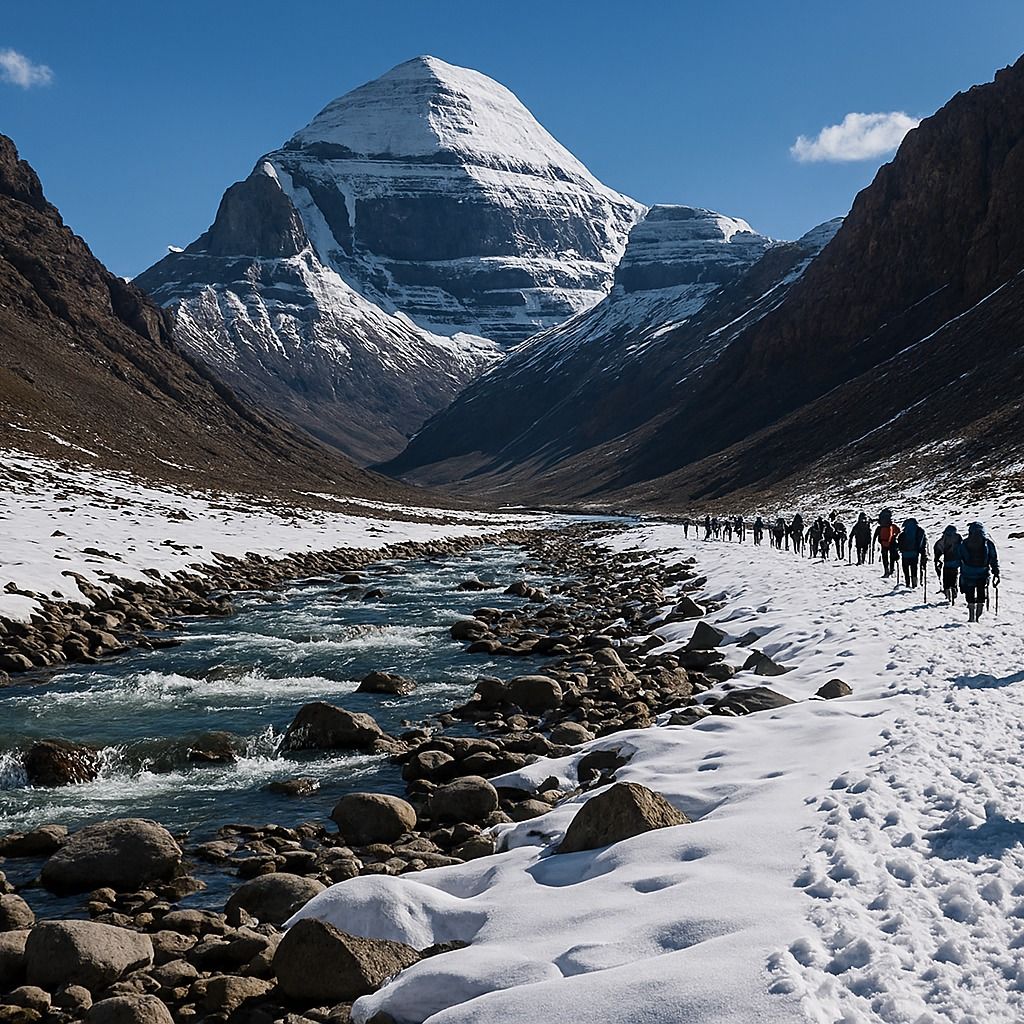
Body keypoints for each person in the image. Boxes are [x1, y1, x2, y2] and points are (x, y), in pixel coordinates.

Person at [957, 522, 1000, 622]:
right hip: (983, 573)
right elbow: (993, 558)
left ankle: (971, 616)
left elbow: (959, 556)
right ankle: (978, 616)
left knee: (970, 593)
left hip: (968, 573)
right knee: (981, 592)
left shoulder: (964, 543)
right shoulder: (988, 543)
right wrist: (996, 572)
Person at [934, 525, 962, 605]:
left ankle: (948, 596)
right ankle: (954, 591)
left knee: (946, 580)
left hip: (947, 563)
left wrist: (937, 559)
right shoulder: (958, 538)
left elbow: (938, 548)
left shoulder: (944, 538)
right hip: (956, 564)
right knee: (954, 579)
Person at [897, 517, 927, 588]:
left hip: (905, 554)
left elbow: (899, 542)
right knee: (914, 569)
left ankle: (907, 583)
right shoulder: (919, 531)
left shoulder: (904, 533)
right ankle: (914, 584)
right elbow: (923, 543)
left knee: (906, 569)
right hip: (914, 553)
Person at [874, 509, 900, 578]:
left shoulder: (880, 527)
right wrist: (895, 537)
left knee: (885, 557)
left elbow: (875, 535)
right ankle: (892, 570)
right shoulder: (892, 526)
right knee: (892, 556)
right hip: (891, 543)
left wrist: (874, 542)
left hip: (883, 543)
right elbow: (898, 531)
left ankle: (886, 570)